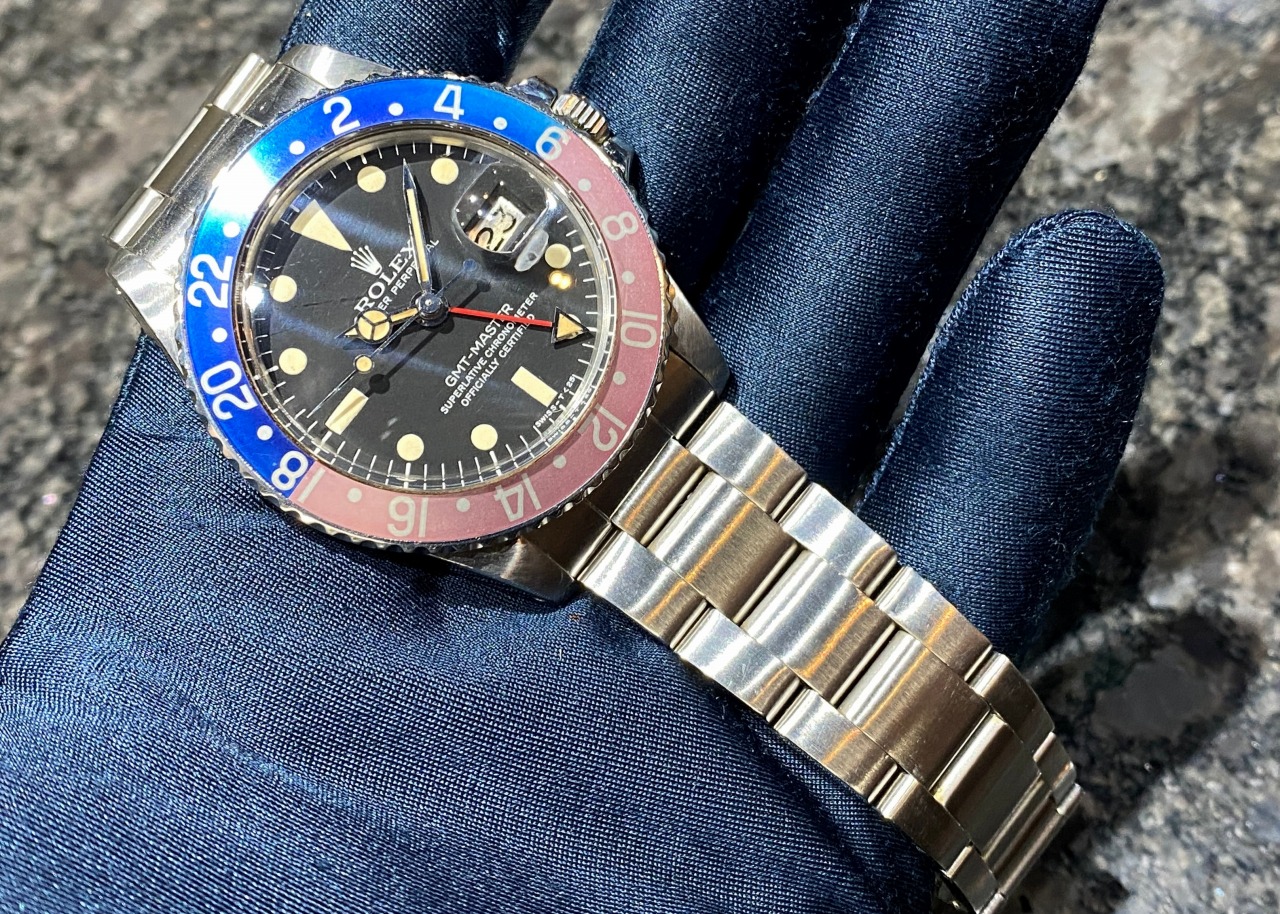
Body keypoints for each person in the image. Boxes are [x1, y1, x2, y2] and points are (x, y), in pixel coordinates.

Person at [0, 0, 1164, 910]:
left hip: (606, 354)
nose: (421, 315)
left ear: (573, 149)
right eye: (406, 321)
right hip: (512, 478)